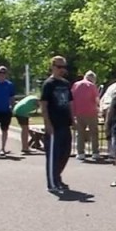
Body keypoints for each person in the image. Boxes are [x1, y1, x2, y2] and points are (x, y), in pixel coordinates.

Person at [41, 56, 75, 194]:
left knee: (65, 153)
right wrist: (47, 123)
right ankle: (52, 183)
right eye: (59, 67)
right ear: (53, 67)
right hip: (54, 124)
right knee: (53, 155)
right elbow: (44, 105)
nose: (62, 70)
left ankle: (57, 177)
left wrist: (73, 119)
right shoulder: (48, 84)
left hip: (65, 123)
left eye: (64, 67)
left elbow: (70, 103)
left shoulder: (66, 84)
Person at [72, 70, 101, 161]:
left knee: (80, 133)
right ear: (93, 78)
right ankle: (95, 152)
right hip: (91, 111)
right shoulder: (92, 85)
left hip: (79, 111)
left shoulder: (75, 84)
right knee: (94, 133)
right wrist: (99, 108)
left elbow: (72, 98)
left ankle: (80, 153)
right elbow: (96, 99)